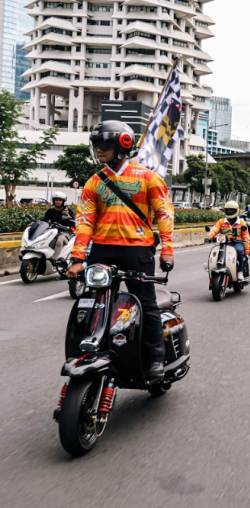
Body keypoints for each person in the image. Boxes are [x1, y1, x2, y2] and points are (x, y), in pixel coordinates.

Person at [66, 121, 174, 380]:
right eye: (97, 146)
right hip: (102, 251)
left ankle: (155, 357)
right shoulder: (94, 181)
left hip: (137, 251)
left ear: (122, 146)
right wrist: (77, 258)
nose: (99, 151)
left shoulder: (149, 178)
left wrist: (167, 249)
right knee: (93, 303)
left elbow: (164, 213)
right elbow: (84, 222)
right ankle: (94, 351)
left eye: (104, 146)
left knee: (146, 303)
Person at [205, 201, 250, 280]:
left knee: (240, 251)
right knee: (216, 253)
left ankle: (240, 271)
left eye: (232, 210)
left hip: (237, 243)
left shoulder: (241, 222)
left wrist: (247, 251)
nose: (230, 212)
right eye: (228, 210)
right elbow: (215, 229)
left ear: (236, 210)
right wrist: (209, 237)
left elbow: (246, 237)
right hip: (224, 243)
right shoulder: (221, 221)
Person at [43, 190, 75, 265]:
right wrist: (35, 223)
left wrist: (68, 216)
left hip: (65, 232)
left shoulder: (68, 210)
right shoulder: (50, 211)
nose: (58, 202)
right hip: (53, 231)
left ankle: (54, 259)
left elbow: (74, 221)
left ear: (63, 201)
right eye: (56, 200)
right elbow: (44, 221)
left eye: (60, 200)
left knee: (60, 240)